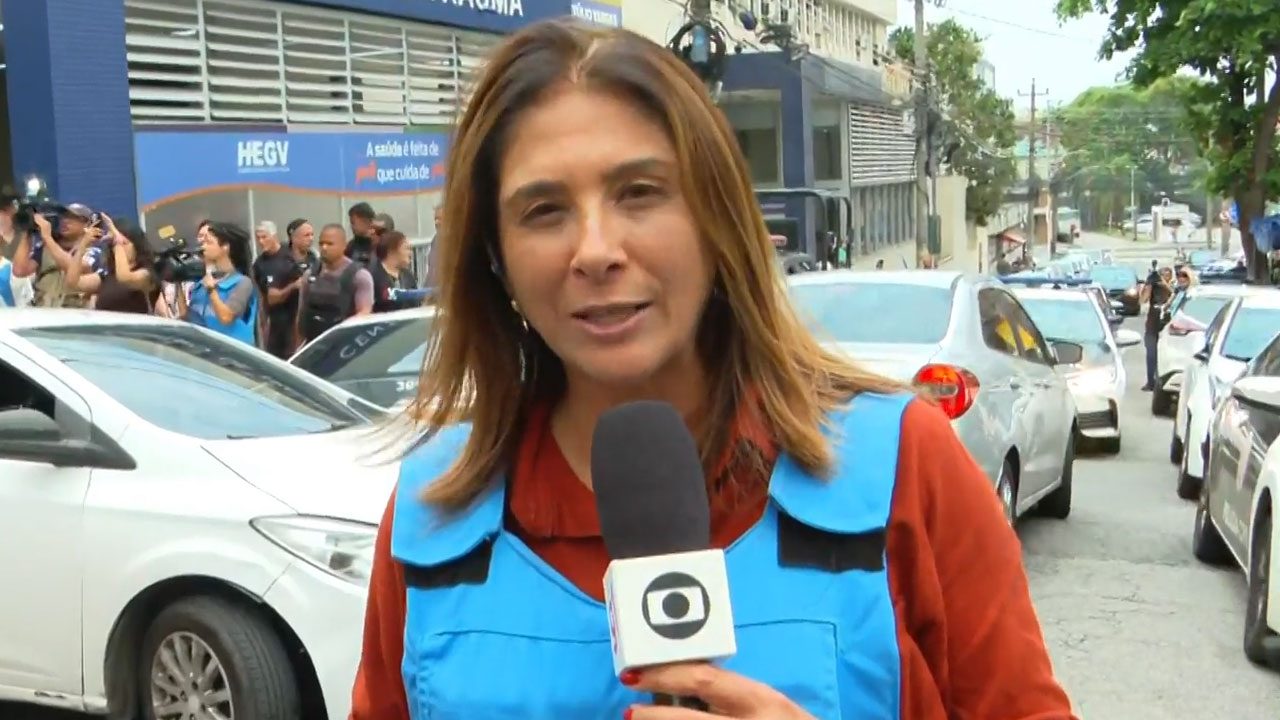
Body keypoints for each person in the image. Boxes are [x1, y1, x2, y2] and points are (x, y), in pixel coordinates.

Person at [350, 20, 1075, 720]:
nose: (595, 249)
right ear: (495, 257)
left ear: (717, 220)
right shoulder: (431, 516)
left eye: (640, 192)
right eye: (544, 210)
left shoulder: (903, 471)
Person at [179, 221, 257, 344]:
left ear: (225, 247)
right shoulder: (199, 286)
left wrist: (211, 291)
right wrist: (177, 281)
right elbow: (188, 317)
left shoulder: (242, 283)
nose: (203, 247)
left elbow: (226, 317)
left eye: (209, 243)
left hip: (235, 355)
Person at [296, 223, 374, 344]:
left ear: (344, 246)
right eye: (321, 244)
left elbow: (364, 314)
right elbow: (301, 314)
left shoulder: (359, 276)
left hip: (345, 345)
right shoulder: (310, 274)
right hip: (314, 343)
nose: (324, 248)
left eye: (330, 244)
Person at [63, 214, 158, 313]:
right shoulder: (107, 276)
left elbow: (125, 277)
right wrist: (83, 245)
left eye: (125, 244)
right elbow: (73, 283)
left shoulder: (146, 273)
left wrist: (117, 240)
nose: (119, 248)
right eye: (114, 245)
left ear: (137, 246)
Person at [251, 220, 306, 358]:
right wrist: (263, 324)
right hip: (274, 323)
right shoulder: (259, 264)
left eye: (264, 237)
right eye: (258, 238)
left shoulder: (289, 257)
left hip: (292, 322)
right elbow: (266, 297)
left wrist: (292, 287)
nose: (261, 241)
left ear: (274, 236)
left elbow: (302, 288)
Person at [1139, 262, 1173, 391]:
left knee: (1165, 354)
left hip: (1167, 323)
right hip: (1153, 322)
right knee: (1151, 353)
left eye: (1167, 275)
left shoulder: (1174, 287)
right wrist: (1148, 284)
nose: (1164, 277)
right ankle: (1150, 381)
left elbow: (1174, 294)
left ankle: (1163, 380)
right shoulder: (1154, 285)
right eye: (1162, 275)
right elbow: (1142, 300)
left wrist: (1164, 284)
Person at [370, 230, 421, 313]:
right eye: (407, 248)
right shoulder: (373, 276)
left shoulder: (408, 276)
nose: (410, 253)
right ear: (391, 250)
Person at [346, 202, 376, 266]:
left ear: (366, 221)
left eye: (353, 223)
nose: (351, 227)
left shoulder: (380, 245)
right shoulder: (350, 246)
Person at [424, 202, 444, 292]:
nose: (436, 222)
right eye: (435, 219)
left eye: (440, 219)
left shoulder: (460, 243)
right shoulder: (436, 240)